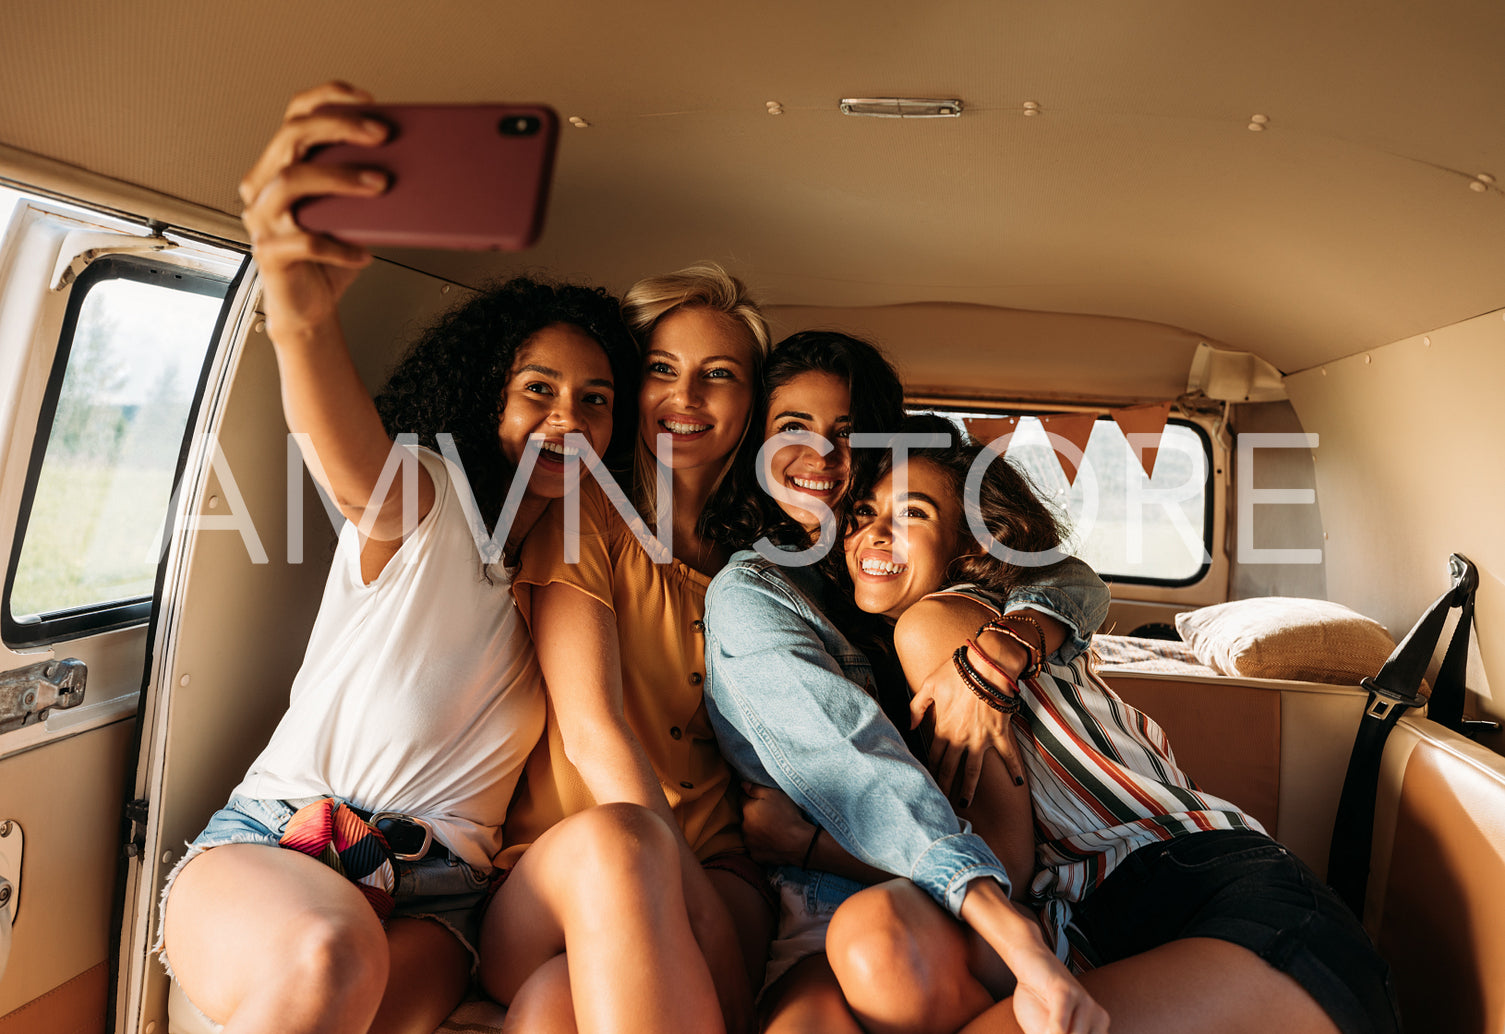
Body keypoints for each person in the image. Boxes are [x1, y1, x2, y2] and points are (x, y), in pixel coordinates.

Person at [158, 83, 727, 1034]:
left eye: (595, 401)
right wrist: (298, 312)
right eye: (537, 389)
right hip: (281, 847)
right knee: (328, 956)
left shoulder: (573, 572)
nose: (567, 419)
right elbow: (342, 455)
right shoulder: (428, 503)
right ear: (484, 398)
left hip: (443, 903)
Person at [826, 428, 1402, 1034]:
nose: (874, 534)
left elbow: (1005, 864)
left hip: (1209, 894)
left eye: (911, 512)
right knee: (877, 932)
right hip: (1086, 919)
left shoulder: (934, 624)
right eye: (863, 513)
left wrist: (810, 847)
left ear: (972, 540)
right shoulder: (1004, 623)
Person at [702, 334, 1111, 1034]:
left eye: (847, 433)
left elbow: (1066, 576)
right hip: (844, 900)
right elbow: (852, 763)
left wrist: (1006, 648)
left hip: (935, 901)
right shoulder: (755, 590)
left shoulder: (909, 590)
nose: (822, 457)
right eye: (791, 428)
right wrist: (1015, 936)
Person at [501, 263, 775, 1031]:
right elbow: (592, 733)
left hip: (723, 861)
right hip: (559, 867)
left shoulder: (756, 556)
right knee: (622, 849)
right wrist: (698, 913)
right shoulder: (582, 514)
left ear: (751, 401)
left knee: (554, 1007)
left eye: (717, 375)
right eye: (661, 370)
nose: (685, 399)